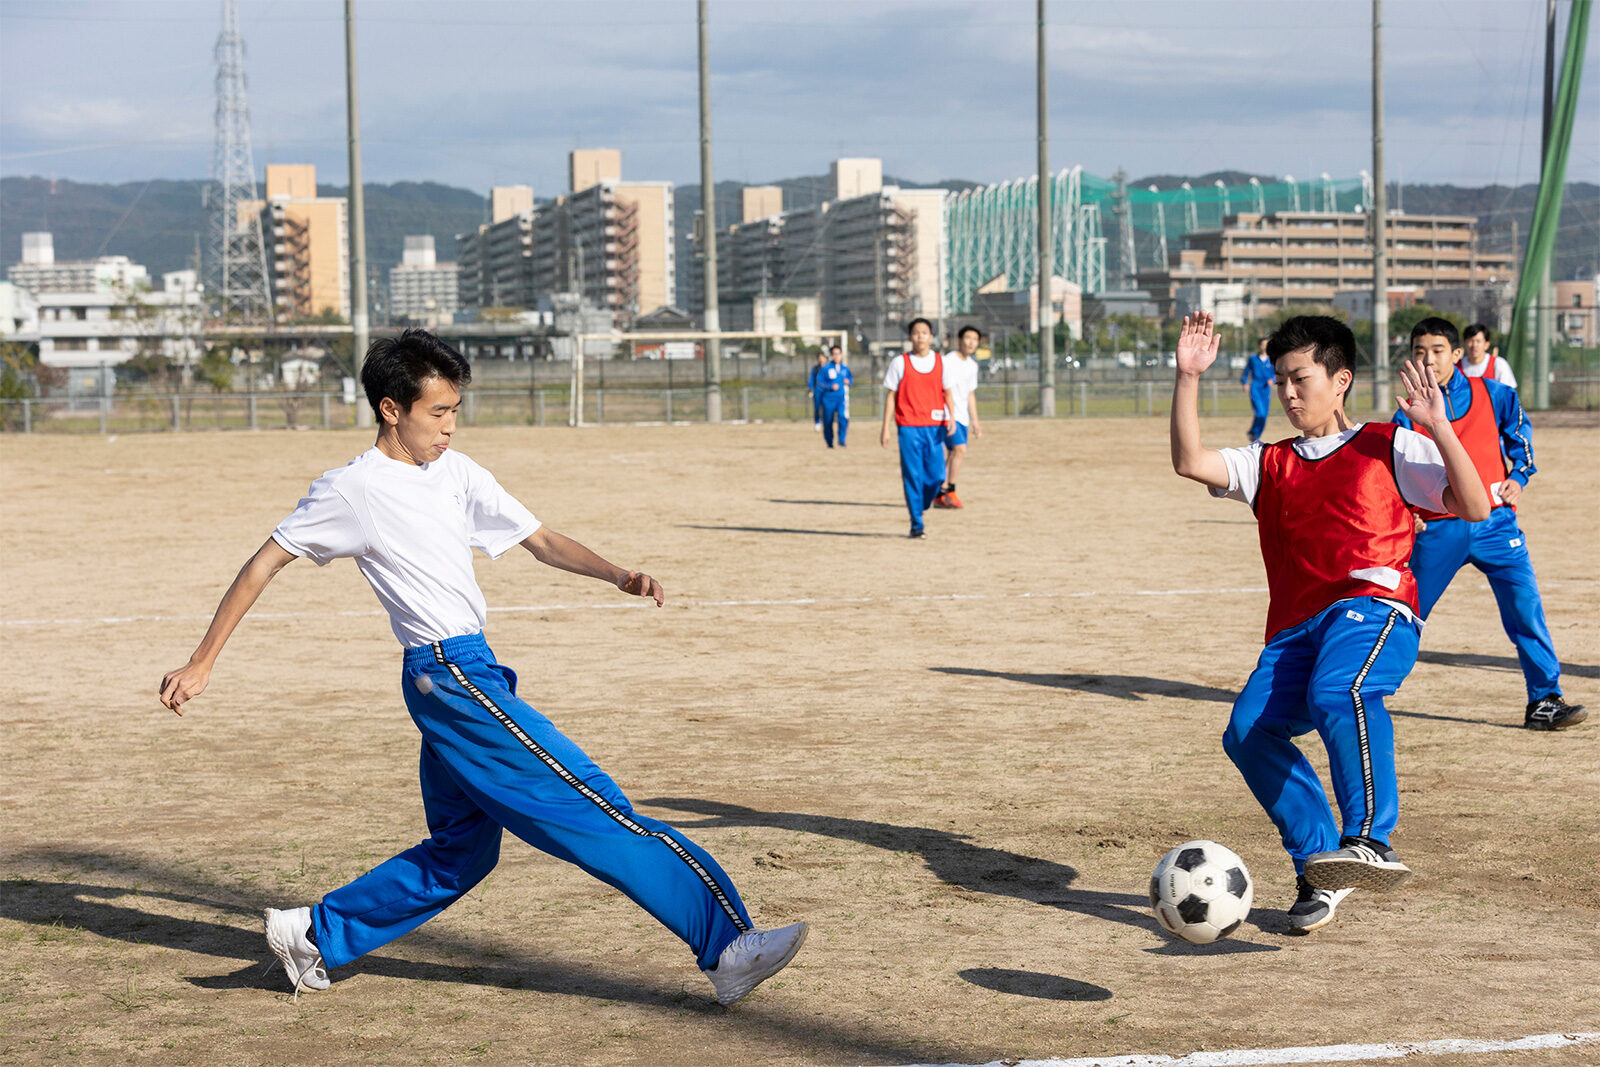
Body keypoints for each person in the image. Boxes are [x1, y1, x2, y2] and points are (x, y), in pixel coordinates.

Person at [157, 329, 807, 1003]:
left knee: (462, 851)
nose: (449, 426)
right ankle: (728, 945)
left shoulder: (457, 472)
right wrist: (203, 661)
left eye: (455, 411)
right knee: (593, 806)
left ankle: (316, 935)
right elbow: (265, 560)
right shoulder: (351, 489)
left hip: (467, 673)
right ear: (390, 409)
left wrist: (618, 574)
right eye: (437, 412)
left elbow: (541, 539)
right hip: (449, 677)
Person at [1170, 312, 1490, 935]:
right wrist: (1187, 377)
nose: (1288, 394)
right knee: (1247, 732)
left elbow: (1473, 505)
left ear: (1340, 379)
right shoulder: (1269, 463)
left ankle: (1370, 840)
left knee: (1339, 690)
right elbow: (1190, 461)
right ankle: (1322, 864)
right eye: (1279, 382)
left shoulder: (1390, 444)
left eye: (1300, 379)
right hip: (1295, 628)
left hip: (1373, 611)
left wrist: (1438, 428)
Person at [1394, 318, 1585, 731]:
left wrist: (1518, 478)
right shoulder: (1405, 414)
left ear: (1457, 354)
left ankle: (1545, 701)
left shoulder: (1496, 395)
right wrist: (1406, 512)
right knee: (1405, 613)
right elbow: (1395, 475)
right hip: (1439, 527)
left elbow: (1524, 446)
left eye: (1437, 351)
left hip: (1497, 525)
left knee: (1525, 609)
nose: (1427, 360)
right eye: (1419, 352)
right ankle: (1354, 691)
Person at [880, 317, 957, 539]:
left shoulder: (942, 363)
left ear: (931, 337)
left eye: (924, 332)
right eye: (916, 332)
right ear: (910, 337)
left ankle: (922, 503)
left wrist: (951, 418)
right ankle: (916, 523)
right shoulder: (899, 363)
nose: (920, 336)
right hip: (908, 428)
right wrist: (885, 428)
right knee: (912, 475)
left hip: (935, 427)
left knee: (936, 476)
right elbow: (891, 397)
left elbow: (948, 393)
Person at [935, 326, 984, 509]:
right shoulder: (947, 361)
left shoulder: (972, 365)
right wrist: (949, 415)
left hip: (963, 418)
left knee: (954, 453)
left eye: (975, 339)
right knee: (960, 449)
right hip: (948, 415)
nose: (971, 342)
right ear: (959, 339)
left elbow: (970, 394)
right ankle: (950, 491)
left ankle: (940, 491)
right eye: (968, 337)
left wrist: (975, 422)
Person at [1458, 323, 1518, 390]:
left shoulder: (1498, 364)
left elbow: (1509, 395)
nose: (1474, 345)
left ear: (1486, 345)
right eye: (1470, 341)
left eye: (1478, 341)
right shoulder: (1456, 368)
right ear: (1463, 343)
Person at [1241, 336, 1275, 442]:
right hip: (1255, 387)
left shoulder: (1272, 359)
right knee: (1259, 412)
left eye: (1266, 345)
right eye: (1263, 344)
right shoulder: (1253, 359)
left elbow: (1276, 373)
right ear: (1259, 346)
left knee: (1264, 415)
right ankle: (1254, 432)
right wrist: (1245, 382)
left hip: (1266, 389)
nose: (1264, 347)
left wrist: (1272, 380)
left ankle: (1255, 435)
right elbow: (1246, 372)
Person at [818, 344, 854, 448]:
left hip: (841, 399)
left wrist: (849, 381)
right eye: (834, 354)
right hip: (828, 400)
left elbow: (851, 379)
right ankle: (829, 442)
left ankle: (842, 440)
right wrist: (830, 386)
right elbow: (820, 382)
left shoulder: (844, 368)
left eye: (838, 354)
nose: (836, 356)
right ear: (831, 355)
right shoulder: (826, 368)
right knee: (828, 421)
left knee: (843, 417)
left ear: (841, 355)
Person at [806, 351, 828, 431]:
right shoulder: (815, 369)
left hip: (827, 392)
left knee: (827, 408)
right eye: (819, 357)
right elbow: (811, 379)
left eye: (822, 357)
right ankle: (817, 422)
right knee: (817, 408)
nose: (821, 359)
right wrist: (811, 389)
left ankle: (826, 422)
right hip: (818, 391)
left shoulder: (829, 368)